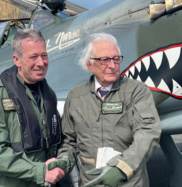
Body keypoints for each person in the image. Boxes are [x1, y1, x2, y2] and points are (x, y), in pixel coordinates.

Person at [50, 33, 161, 187]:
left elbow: (148, 133)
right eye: (104, 60)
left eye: (116, 59)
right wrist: (64, 159)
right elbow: (69, 140)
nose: (112, 65)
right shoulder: (75, 96)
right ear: (90, 65)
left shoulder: (137, 91)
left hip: (129, 182)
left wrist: (122, 168)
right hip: (91, 182)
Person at [0, 29, 65, 187]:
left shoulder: (49, 94)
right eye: (33, 57)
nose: (41, 63)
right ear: (17, 60)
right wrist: (40, 172)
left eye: (44, 56)